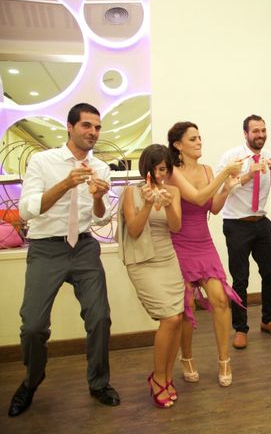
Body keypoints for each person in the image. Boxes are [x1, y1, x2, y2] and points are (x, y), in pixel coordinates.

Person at [9, 103, 119, 417]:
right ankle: (31, 380)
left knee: (100, 319)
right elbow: (27, 209)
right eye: (87, 126)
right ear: (69, 128)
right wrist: (65, 184)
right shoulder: (43, 162)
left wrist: (98, 198)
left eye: (97, 127)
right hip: (46, 248)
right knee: (32, 326)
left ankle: (98, 383)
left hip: (84, 247)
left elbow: (101, 216)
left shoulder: (101, 167)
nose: (93, 133)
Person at [167, 121, 243, 387]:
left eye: (200, 137)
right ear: (178, 145)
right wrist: (224, 175)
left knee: (221, 299)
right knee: (186, 304)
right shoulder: (172, 172)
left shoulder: (208, 169)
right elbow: (197, 198)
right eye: (193, 139)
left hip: (204, 242)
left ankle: (224, 359)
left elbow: (213, 207)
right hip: (179, 243)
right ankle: (186, 357)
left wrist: (227, 188)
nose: (199, 142)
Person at [118, 144, 183, 407]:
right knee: (169, 318)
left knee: (177, 318)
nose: (162, 175)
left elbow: (176, 227)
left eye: (166, 169)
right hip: (143, 260)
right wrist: (147, 203)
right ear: (147, 167)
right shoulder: (130, 192)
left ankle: (167, 376)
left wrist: (167, 205)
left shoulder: (174, 191)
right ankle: (157, 378)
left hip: (168, 258)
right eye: (159, 169)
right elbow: (133, 230)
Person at [216, 115, 271, 350]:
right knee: (240, 279)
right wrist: (248, 175)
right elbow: (221, 187)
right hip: (236, 224)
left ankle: (268, 320)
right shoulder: (231, 157)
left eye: (263, 130)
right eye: (255, 131)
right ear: (245, 134)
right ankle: (240, 328)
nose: (261, 135)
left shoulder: (270, 156)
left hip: (261, 222)